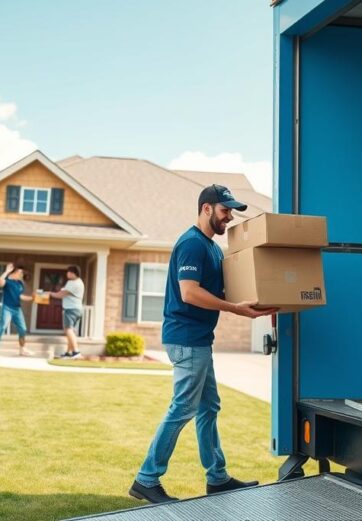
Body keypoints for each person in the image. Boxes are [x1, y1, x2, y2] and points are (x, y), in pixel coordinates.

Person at [129, 184, 276, 504]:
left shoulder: (211, 247)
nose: (229, 218)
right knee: (183, 408)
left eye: (231, 213)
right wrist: (235, 309)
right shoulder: (192, 245)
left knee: (208, 408)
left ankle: (217, 478)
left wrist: (259, 305)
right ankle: (146, 478)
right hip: (186, 339)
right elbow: (190, 293)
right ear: (207, 208)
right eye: (225, 212)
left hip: (198, 340)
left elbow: (222, 293)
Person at [0, 262, 35, 358]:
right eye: (20, 273)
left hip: (17, 309)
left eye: (22, 273)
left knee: (23, 329)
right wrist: (6, 271)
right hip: (7, 307)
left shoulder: (20, 284)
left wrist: (32, 298)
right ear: (14, 273)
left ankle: (22, 349)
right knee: (3, 326)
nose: (21, 274)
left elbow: (21, 296)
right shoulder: (7, 281)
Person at [47, 265, 85, 359]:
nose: (67, 273)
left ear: (74, 273)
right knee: (71, 331)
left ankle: (76, 351)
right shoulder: (78, 282)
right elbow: (63, 292)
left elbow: (60, 295)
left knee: (68, 329)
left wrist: (49, 293)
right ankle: (69, 352)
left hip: (71, 309)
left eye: (69, 272)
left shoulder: (73, 283)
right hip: (77, 309)